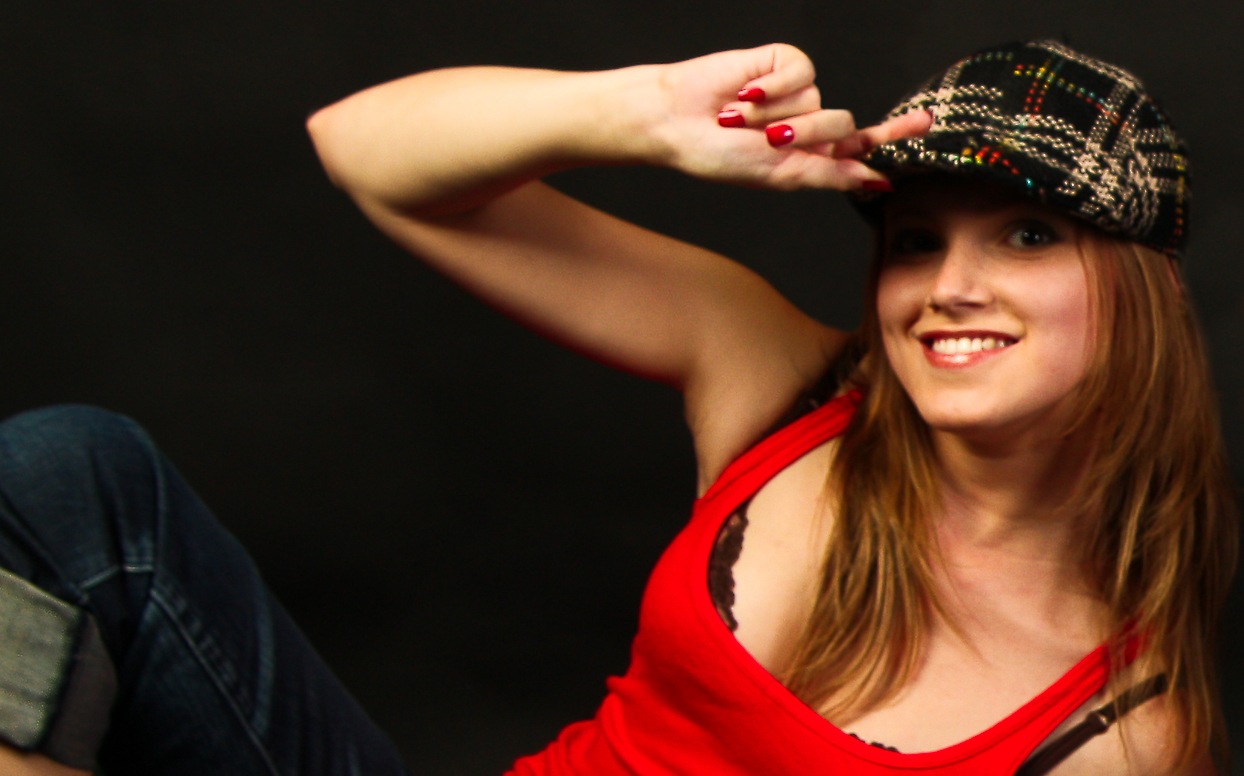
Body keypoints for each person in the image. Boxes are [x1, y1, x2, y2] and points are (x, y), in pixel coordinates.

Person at [0, 39, 1233, 776]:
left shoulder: (1125, 729)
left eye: (1025, 235)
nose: (946, 286)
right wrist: (638, 114)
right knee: (73, 474)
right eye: (915, 240)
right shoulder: (793, 386)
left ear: (1144, 286)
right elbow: (362, 148)